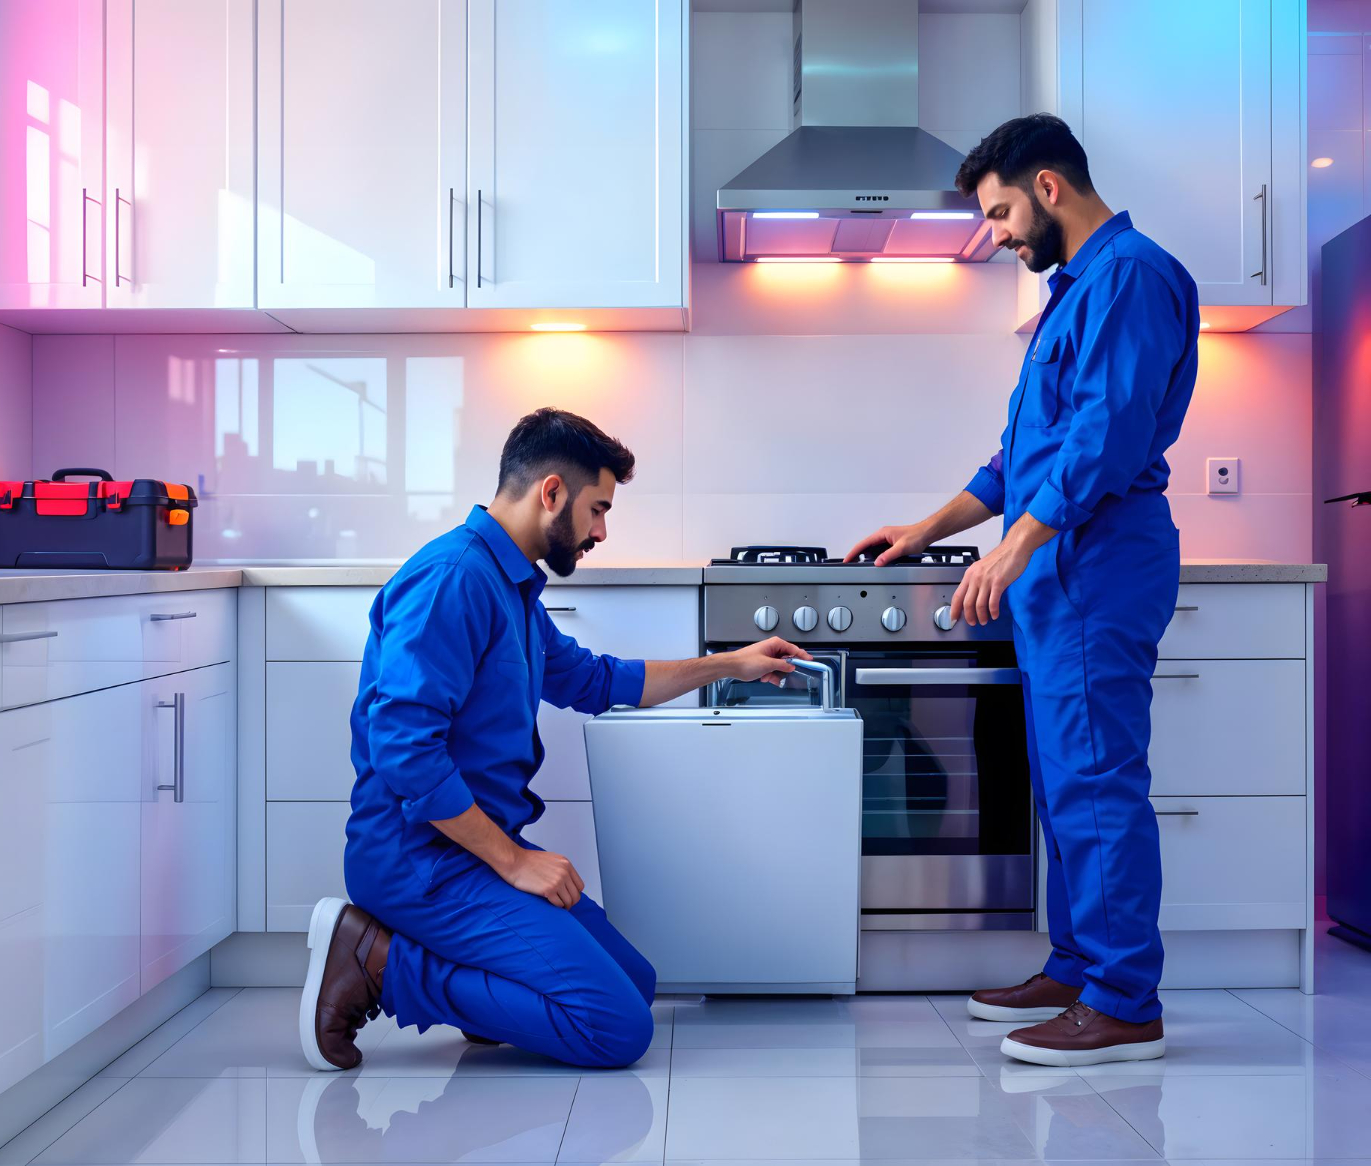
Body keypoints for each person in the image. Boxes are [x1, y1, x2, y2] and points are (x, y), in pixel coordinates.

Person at [301, 407, 810, 1071]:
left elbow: (598, 680)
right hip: (418, 862)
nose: (601, 531)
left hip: (469, 853)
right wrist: (515, 862)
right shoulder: (454, 579)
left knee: (635, 984)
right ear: (551, 492)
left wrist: (729, 664)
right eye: (598, 509)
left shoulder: (510, 586)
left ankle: (488, 990)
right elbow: (404, 748)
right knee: (616, 1028)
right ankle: (378, 962)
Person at [846, 114, 1198, 1068]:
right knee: (1062, 781)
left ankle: (1124, 1000)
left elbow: (1105, 441)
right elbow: (1021, 457)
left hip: (1097, 561)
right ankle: (1080, 967)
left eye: (1000, 213)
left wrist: (1015, 550)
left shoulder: (1129, 277)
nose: (996, 233)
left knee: (1097, 782)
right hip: (1058, 568)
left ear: (1048, 186)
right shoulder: (1072, 295)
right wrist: (928, 530)